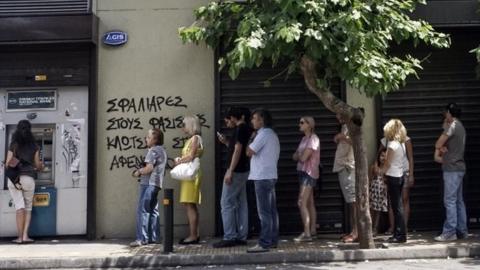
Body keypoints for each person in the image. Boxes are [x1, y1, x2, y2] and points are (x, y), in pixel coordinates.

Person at [213, 107, 251, 248]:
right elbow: (236, 148)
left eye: (229, 118)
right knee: (241, 203)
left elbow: (238, 149)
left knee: (226, 203)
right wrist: (226, 142)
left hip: (236, 171)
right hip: (243, 170)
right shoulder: (246, 129)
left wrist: (230, 170)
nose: (227, 121)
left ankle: (229, 236)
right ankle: (241, 236)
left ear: (236, 117)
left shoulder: (240, 129)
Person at [246, 109, 280, 253]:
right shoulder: (272, 134)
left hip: (262, 177)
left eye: (254, 118)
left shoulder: (263, 135)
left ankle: (264, 243)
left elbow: (248, 152)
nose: (252, 121)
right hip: (270, 176)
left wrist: (252, 138)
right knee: (271, 211)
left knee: (264, 212)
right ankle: (272, 240)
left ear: (262, 120)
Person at [5, 120, 44, 244]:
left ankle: (19, 238)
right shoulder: (34, 146)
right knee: (28, 208)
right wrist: (41, 167)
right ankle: (26, 236)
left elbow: (7, 163)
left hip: (15, 179)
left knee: (19, 207)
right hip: (28, 179)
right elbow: (38, 165)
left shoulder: (14, 144)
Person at [433, 103, 468, 242]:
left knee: (450, 201)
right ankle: (462, 230)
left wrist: (440, 147)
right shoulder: (460, 126)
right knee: (458, 201)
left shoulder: (452, 125)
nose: (444, 115)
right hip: (458, 167)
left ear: (449, 113)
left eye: (445, 113)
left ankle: (449, 232)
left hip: (452, 169)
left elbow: (438, 143)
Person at [130, 128, 167, 247]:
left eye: (148, 137)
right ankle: (155, 237)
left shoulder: (152, 151)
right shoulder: (162, 150)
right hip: (156, 184)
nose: (146, 139)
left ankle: (142, 238)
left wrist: (138, 172)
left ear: (155, 139)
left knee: (143, 210)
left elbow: (149, 168)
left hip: (148, 184)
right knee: (153, 210)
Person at [174, 115, 204, 245]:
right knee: (189, 204)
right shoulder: (192, 139)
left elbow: (191, 156)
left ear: (191, 125)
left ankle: (193, 235)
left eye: (184, 125)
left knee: (190, 204)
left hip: (192, 175)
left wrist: (179, 160)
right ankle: (194, 234)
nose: (182, 127)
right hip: (190, 174)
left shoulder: (195, 138)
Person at [378, 134, 414, 234]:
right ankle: (393, 227)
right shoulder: (385, 140)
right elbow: (379, 155)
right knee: (392, 201)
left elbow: (410, 157)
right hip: (390, 173)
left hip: (404, 171)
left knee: (404, 199)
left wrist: (411, 174)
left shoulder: (406, 139)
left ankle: (404, 227)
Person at [380, 119, 408, 243]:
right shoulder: (401, 144)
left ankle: (400, 235)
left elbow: (387, 163)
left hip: (393, 176)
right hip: (400, 175)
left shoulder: (392, 145)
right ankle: (399, 233)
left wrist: (380, 172)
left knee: (397, 207)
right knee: (398, 206)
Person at [292, 116, 320, 242]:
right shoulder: (304, 139)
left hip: (308, 173)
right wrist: (299, 155)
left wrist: (299, 155)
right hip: (302, 172)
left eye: (302, 122)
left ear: (309, 125)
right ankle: (312, 230)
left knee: (301, 202)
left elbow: (302, 158)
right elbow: (295, 156)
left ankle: (307, 233)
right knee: (309, 202)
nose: (299, 124)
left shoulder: (313, 139)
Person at [332, 113, 357, 243]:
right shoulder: (344, 127)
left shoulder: (351, 127)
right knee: (351, 201)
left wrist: (342, 137)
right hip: (344, 167)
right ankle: (354, 231)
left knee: (354, 201)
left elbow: (357, 141)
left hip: (348, 168)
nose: (338, 116)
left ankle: (356, 232)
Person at [369, 149, 388, 236]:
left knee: (378, 211)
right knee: (372, 210)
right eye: (381, 155)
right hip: (373, 190)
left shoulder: (388, 168)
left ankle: (375, 229)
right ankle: (370, 228)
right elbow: (369, 179)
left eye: (385, 156)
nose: (383, 158)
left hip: (382, 192)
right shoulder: (374, 167)